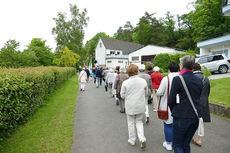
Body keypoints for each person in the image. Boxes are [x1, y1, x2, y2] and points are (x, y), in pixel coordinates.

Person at [168, 55, 203, 153]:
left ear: (182, 66)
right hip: (195, 116)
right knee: (186, 144)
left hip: (181, 116)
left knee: (177, 145)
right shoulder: (199, 80)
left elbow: (171, 100)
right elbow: (197, 97)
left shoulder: (178, 79)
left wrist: (174, 111)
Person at [120, 64, 148, 149]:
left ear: (128, 72)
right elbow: (146, 93)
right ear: (137, 71)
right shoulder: (143, 81)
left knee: (131, 123)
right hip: (140, 105)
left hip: (130, 106)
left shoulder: (125, 82)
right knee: (139, 122)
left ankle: (132, 140)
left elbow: (122, 95)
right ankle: (142, 138)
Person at [156, 62, 180, 151]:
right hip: (180, 105)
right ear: (178, 69)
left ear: (169, 70)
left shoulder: (166, 78)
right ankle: (176, 142)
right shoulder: (181, 77)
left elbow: (159, 92)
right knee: (177, 124)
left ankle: (169, 143)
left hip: (168, 105)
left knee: (168, 124)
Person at [192, 63, 211, 147]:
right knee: (201, 121)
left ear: (192, 69)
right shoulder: (206, 78)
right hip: (203, 102)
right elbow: (208, 91)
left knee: (191, 120)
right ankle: (199, 139)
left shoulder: (191, 78)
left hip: (193, 102)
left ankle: (191, 136)